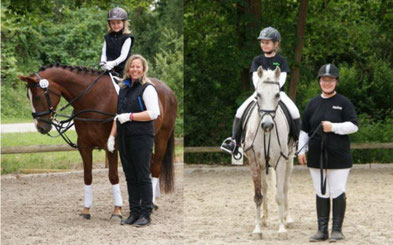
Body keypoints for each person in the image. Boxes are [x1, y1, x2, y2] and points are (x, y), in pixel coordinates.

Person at [297, 64, 358, 242]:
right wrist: (301, 150)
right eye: (324, 79)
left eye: (330, 80)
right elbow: (304, 130)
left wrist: (334, 127)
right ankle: (322, 230)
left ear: (336, 82)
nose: (327, 82)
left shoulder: (344, 103)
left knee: (337, 190)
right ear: (320, 82)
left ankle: (337, 230)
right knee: (320, 191)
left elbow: (353, 126)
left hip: (339, 156)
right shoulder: (312, 104)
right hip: (316, 155)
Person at [220, 26, 301, 156]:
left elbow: (283, 77)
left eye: (267, 42)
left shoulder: (281, 60)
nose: (264, 45)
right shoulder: (257, 60)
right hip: (260, 93)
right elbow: (254, 77)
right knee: (240, 111)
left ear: (276, 44)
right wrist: (262, 90)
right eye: (262, 42)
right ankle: (234, 142)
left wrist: (274, 89)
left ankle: (297, 143)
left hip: (278, 93)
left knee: (294, 112)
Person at [107, 54, 160, 227]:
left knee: (142, 176)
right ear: (128, 68)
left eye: (138, 66)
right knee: (130, 176)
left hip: (141, 137)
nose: (135, 69)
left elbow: (153, 113)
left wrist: (130, 116)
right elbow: (118, 116)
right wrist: (111, 136)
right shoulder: (123, 88)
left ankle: (145, 213)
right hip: (124, 137)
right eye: (132, 66)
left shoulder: (148, 88)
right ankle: (134, 212)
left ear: (143, 69)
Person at [100, 7, 134, 77]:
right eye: (113, 23)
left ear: (124, 23)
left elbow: (123, 56)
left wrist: (112, 64)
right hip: (108, 68)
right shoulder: (107, 37)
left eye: (118, 23)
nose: (116, 25)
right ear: (109, 24)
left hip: (123, 70)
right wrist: (103, 63)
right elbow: (104, 53)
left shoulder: (127, 38)